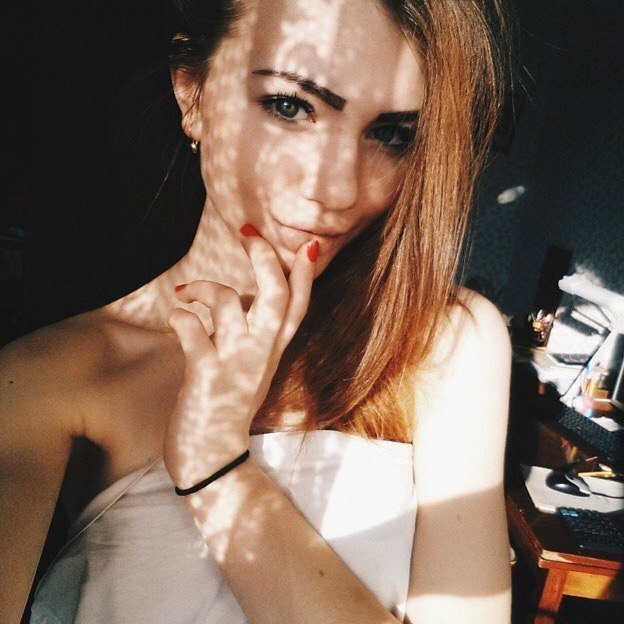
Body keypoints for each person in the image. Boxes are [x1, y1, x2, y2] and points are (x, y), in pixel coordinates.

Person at [0, 0, 512, 622]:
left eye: (392, 135)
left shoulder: (444, 345)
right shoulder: (48, 381)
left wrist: (218, 467)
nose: (337, 189)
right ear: (192, 92)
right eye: (290, 106)